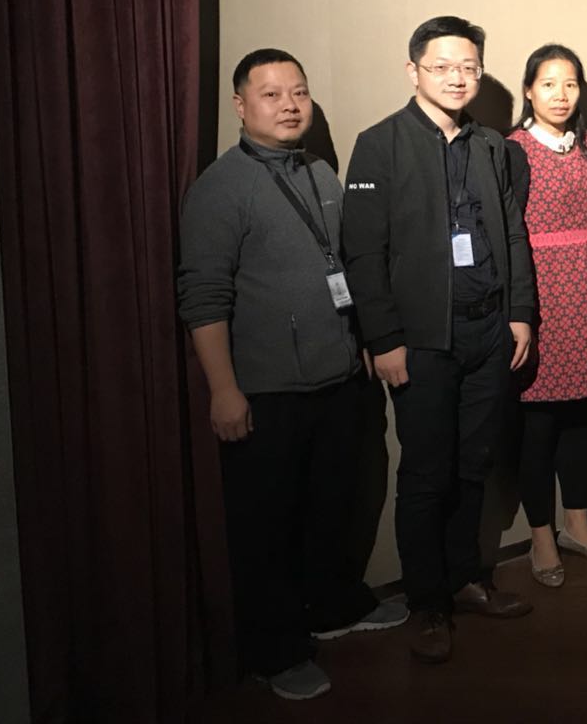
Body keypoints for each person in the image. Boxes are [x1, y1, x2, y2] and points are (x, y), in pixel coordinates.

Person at [177, 49, 406, 701]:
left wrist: (363, 342)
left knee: (334, 506)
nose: (289, 105)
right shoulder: (220, 188)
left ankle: (334, 607)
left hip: (339, 380)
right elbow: (203, 296)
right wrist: (224, 389)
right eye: (272, 94)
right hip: (267, 391)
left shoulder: (321, 171)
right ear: (241, 105)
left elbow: (345, 266)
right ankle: (275, 652)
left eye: (298, 92)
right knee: (265, 527)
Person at [342, 16, 538, 665]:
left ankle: (466, 579)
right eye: (443, 66)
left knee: (473, 463)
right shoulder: (380, 144)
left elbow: (513, 233)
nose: (458, 78)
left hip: (490, 329)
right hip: (422, 339)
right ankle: (427, 601)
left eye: (469, 67)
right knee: (427, 472)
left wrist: (520, 312)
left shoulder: (493, 147)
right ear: (414, 71)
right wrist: (384, 338)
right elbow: (362, 252)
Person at [505, 45, 587, 587]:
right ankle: (541, 537)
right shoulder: (512, 150)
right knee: (537, 424)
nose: (561, 94)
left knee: (579, 417)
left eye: (571, 84)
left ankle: (578, 527)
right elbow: (506, 234)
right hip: (538, 294)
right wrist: (516, 309)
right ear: (529, 90)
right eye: (549, 83)